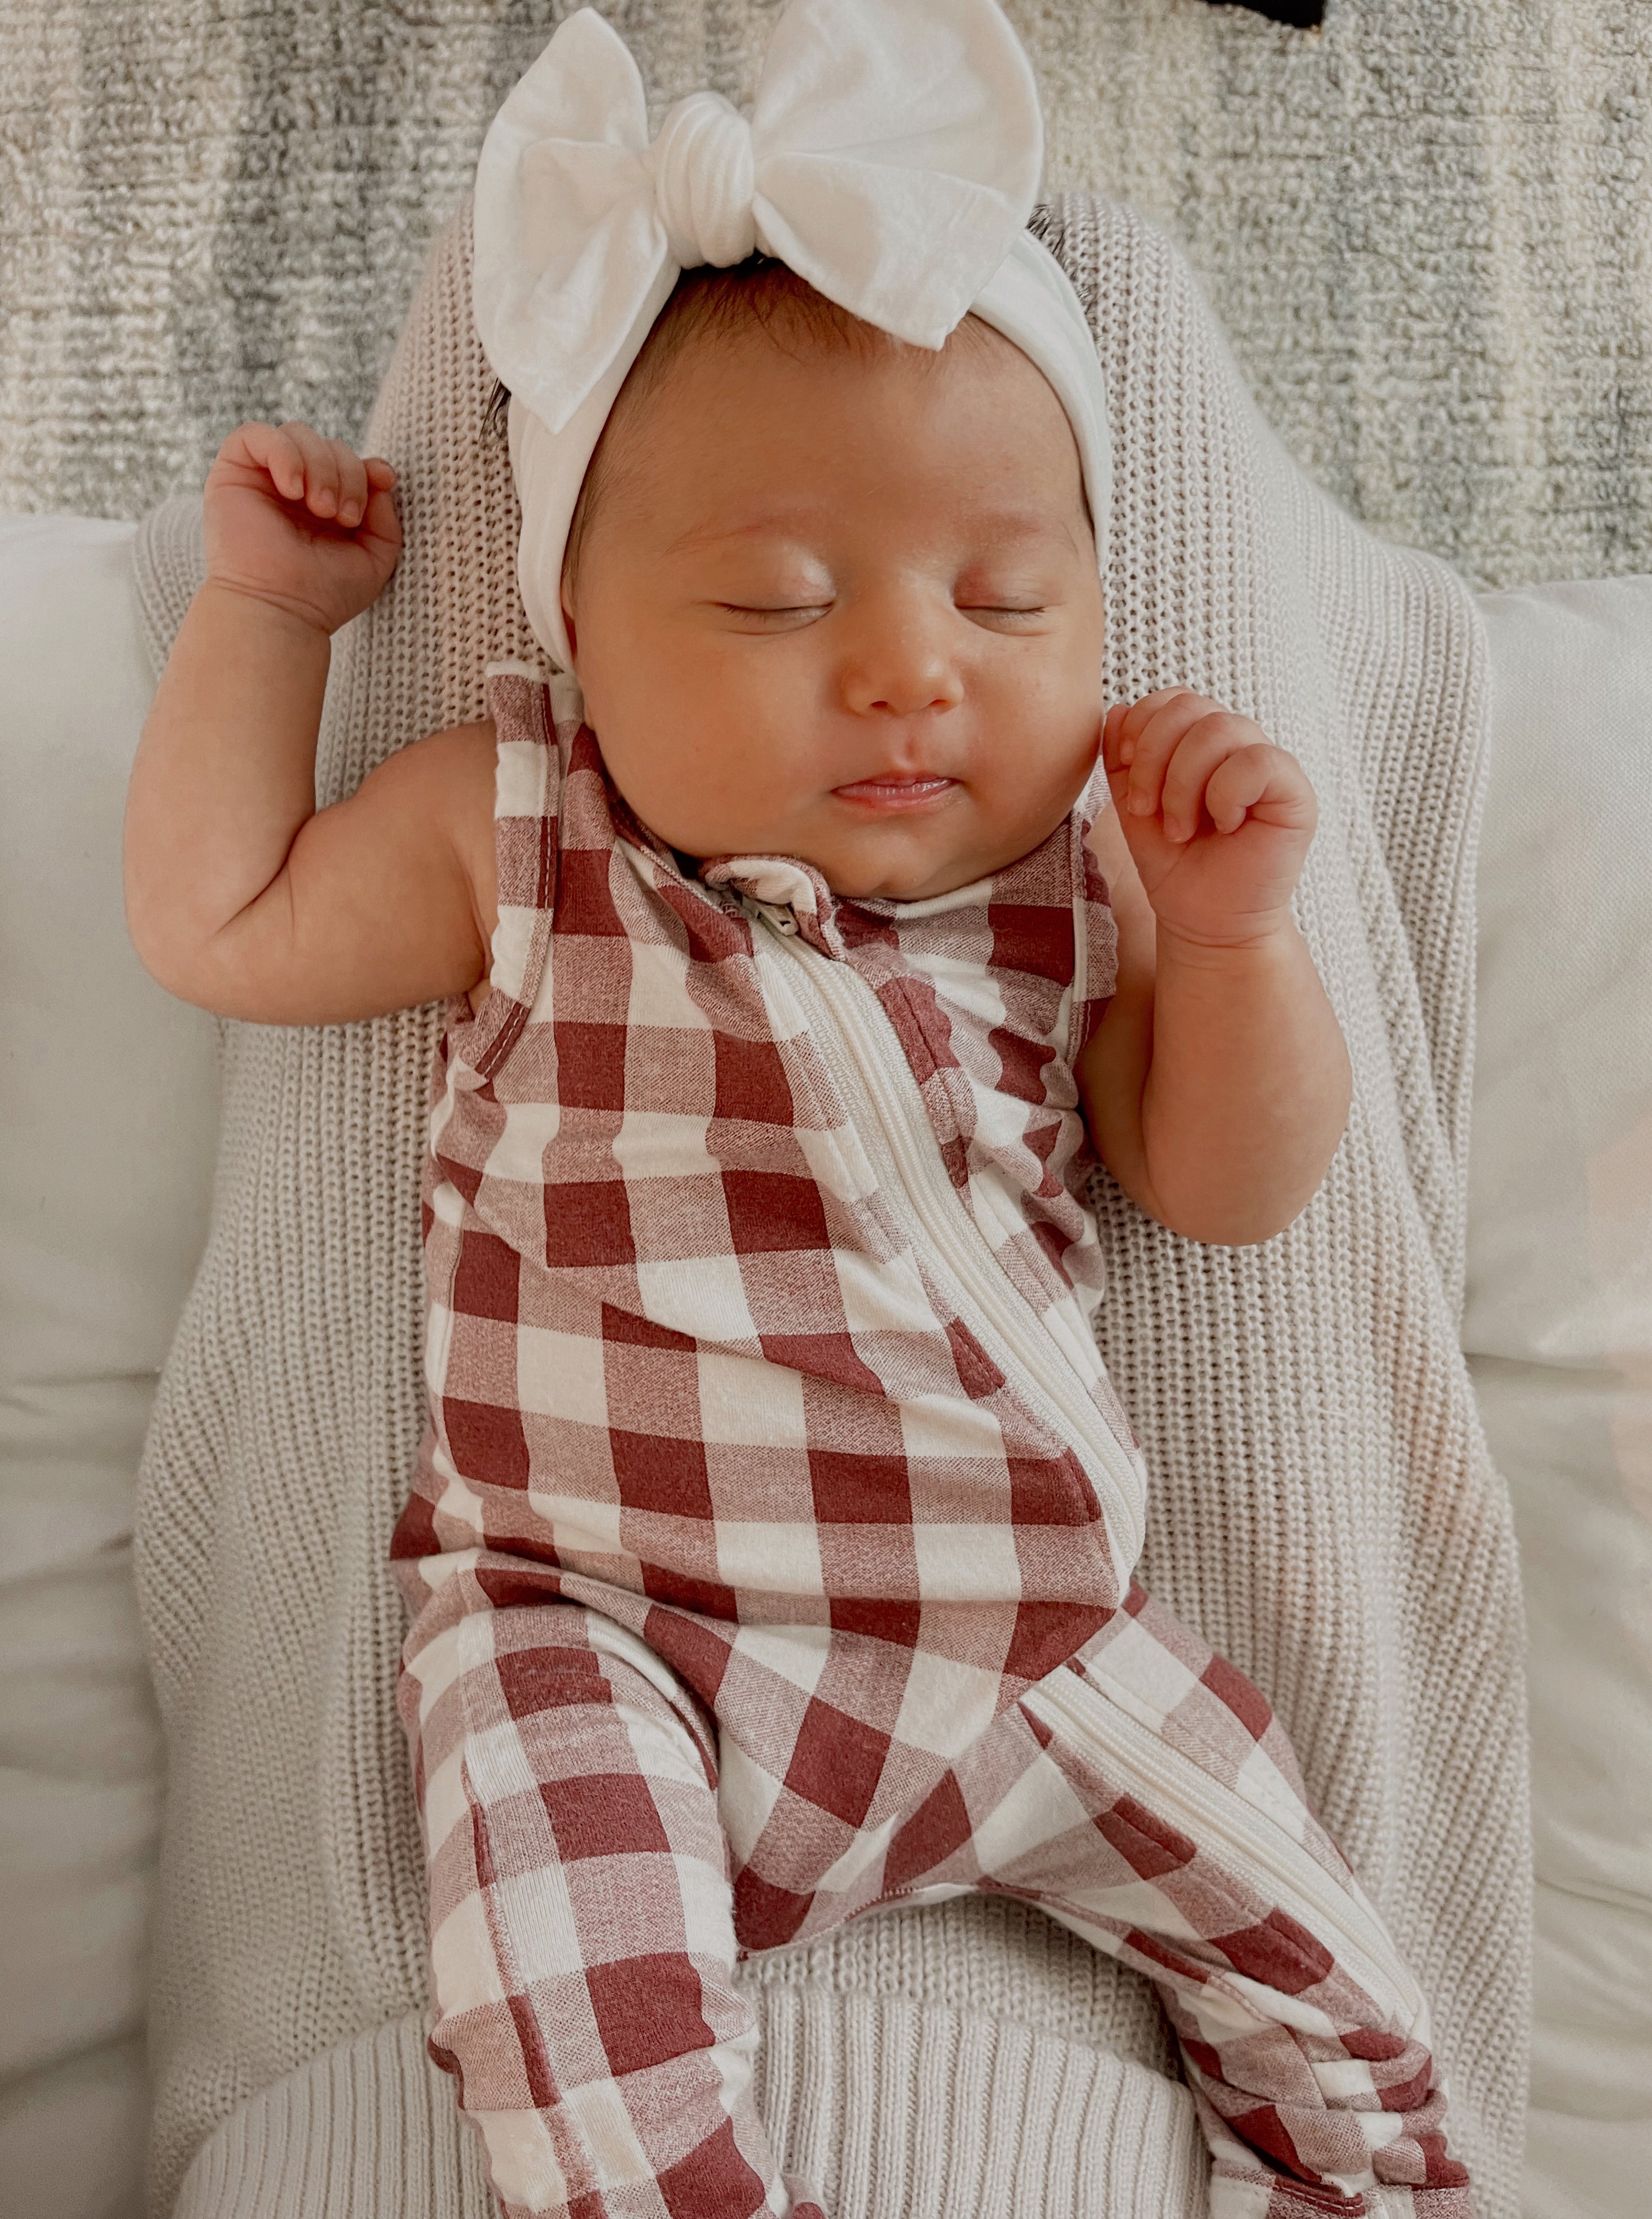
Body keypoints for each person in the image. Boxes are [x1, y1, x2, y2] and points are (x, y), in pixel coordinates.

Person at [122, 3, 1475, 2214]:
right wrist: (271, 618)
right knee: (564, 2006)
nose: (910, 667)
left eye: (1010, 596)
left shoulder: (1071, 890)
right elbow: (225, 918)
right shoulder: (526, 823)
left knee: (1341, 1985)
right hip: (602, 1622)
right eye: (774, 600)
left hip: (1027, 1644)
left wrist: (1233, 942)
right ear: (575, 623)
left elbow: (1222, 1193)